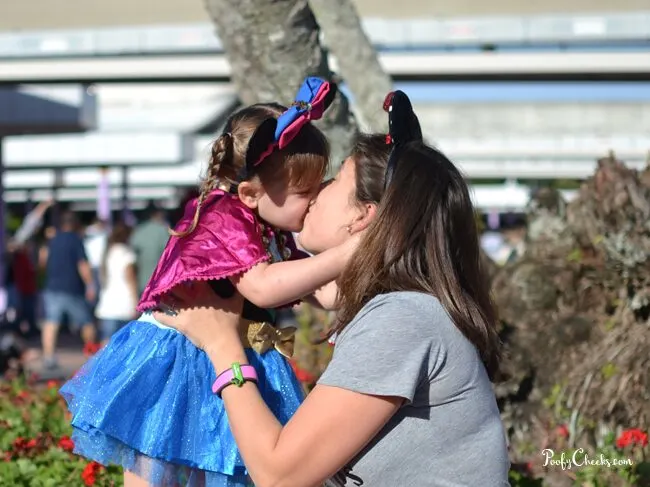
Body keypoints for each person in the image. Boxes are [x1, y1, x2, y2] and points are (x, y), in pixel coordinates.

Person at [155, 91, 510, 487]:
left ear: (363, 218)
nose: (316, 191)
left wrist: (222, 345)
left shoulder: (401, 320)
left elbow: (278, 474)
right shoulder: (408, 310)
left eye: (334, 179)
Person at [61, 77, 359, 487]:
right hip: (175, 352)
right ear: (252, 193)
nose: (314, 200)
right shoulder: (224, 215)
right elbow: (263, 287)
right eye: (304, 191)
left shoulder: (268, 225)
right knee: (156, 459)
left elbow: (321, 293)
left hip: (233, 347)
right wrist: (343, 255)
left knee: (223, 462)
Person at [40, 211, 96, 369]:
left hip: (52, 286)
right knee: (86, 322)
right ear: (75, 224)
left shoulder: (52, 240)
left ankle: (48, 356)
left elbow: (42, 260)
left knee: (51, 322)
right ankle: (91, 354)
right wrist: (90, 284)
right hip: (72, 288)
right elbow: (82, 265)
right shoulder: (76, 240)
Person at [94, 221, 138, 345]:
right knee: (125, 341)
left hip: (107, 303)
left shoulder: (107, 253)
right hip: (124, 302)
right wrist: (136, 301)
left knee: (106, 340)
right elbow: (131, 279)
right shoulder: (127, 253)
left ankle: (103, 364)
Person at [130, 202, 169, 295]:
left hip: (141, 281)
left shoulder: (138, 231)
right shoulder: (162, 230)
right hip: (159, 282)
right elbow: (168, 255)